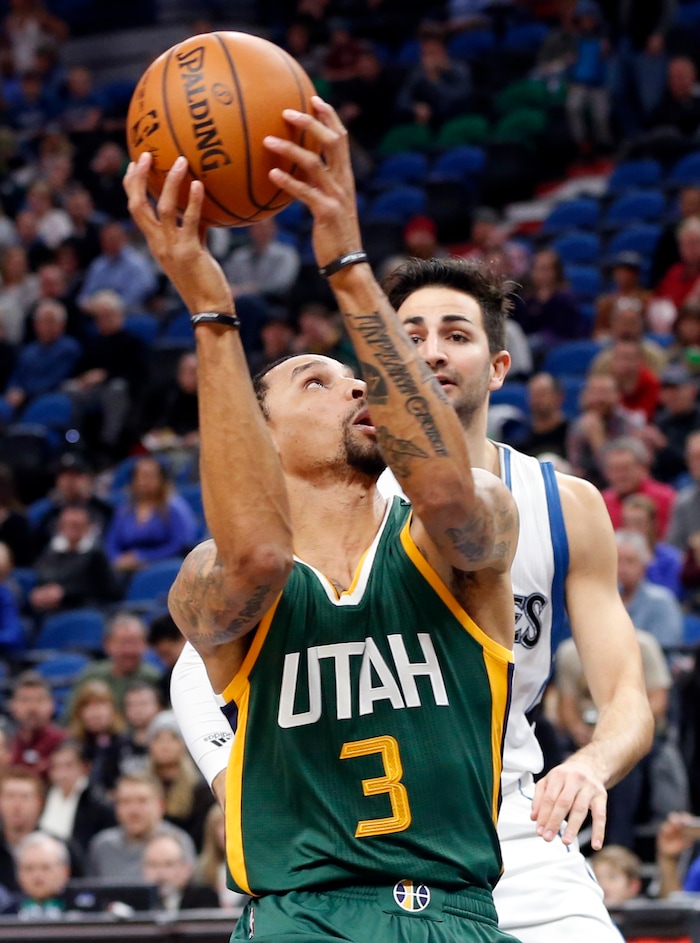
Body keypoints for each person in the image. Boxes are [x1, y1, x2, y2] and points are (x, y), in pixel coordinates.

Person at [160, 98, 652, 943]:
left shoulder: (513, 509)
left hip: (504, 829)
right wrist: (212, 312)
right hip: (312, 886)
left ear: (498, 365)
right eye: (404, 334)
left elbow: (624, 693)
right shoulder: (255, 564)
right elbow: (247, 559)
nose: (414, 357)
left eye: (452, 333)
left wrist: (590, 764)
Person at [126, 104, 521, 943]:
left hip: (458, 914)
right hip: (299, 921)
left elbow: (450, 496)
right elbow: (261, 555)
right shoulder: (212, 581)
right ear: (257, 438)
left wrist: (349, 264)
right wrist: (210, 308)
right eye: (316, 380)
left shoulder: (465, 530)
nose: (355, 388)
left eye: (357, 376)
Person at [104, 455, 198, 585]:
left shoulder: (174, 508)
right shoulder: (124, 510)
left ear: (161, 479)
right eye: (139, 476)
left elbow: (180, 544)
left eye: (149, 476)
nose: (143, 481)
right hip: (125, 569)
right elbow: (111, 542)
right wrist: (117, 559)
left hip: (164, 566)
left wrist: (144, 557)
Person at [87, 772, 196, 882]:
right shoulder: (102, 846)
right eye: (125, 802)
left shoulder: (179, 842)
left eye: (142, 801)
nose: (133, 810)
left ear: (160, 805)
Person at [28, 503, 120, 619]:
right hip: (49, 608)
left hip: (82, 609)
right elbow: (41, 575)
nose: (71, 529)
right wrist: (42, 592)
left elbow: (108, 591)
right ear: (59, 527)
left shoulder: (97, 555)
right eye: (67, 525)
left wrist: (65, 594)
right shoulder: (50, 551)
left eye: (77, 525)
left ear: (88, 527)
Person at [65, 611, 162, 718]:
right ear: (107, 644)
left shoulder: (155, 679)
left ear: (145, 644)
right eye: (122, 642)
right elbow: (70, 719)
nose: (128, 650)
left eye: (134, 642)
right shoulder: (91, 677)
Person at [38, 738, 116, 854]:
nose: (61, 773)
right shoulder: (46, 795)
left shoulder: (96, 801)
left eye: (68, 766)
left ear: (83, 767)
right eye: (56, 767)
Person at [615, 529, 683, 649]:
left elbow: (665, 650)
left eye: (630, 561)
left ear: (644, 564)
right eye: (617, 561)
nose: (623, 569)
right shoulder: (603, 602)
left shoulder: (661, 601)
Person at [600, 436, 676, 538]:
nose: (621, 476)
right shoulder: (602, 503)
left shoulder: (666, 498)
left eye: (626, 468)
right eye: (615, 470)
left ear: (643, 468)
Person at [7, 671, 67, 781]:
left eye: (39, 700)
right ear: (12, 706)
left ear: (52, 706)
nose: (32, 707)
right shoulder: (6, 746)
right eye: (24, 700)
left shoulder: (65, 743)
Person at [142, 830, 219, 912]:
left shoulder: (204, 898)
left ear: (186, 869)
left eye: (169, 864)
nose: (160, 872)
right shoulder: (135, 902)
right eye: (153, 865)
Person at [13, 831, 71, 918]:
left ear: (65, 872)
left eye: (45, 868)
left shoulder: (84, 913)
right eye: (29, 868)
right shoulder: (7, 913)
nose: (37, 875)